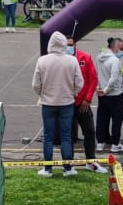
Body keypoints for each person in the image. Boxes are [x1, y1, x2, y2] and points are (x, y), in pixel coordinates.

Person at [33, 30, 83, 177]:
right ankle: (68, 168)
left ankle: (47, 169)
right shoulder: (72, 60)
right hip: (67, 103)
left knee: (48, 136)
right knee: (66, 136)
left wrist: (43, 94)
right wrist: (72, 92)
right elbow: (79, 82)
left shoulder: (42, 60)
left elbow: (35, 84)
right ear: (63, 44)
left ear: (50, 44)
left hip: (48, 103)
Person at [67, 35, 106, 173]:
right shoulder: (61, 60)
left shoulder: (85, 58)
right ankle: (68, 164)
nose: (68, 47)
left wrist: (87, 99)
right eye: (66, 45)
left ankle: (90, 161)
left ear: (75, 44)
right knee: (69, 136)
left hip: (83, 104)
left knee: (89, 132)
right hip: (67, 104)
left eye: (70, 44)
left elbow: (93, 79)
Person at [96, 37, 123, 152]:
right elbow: (114, 78)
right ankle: (115, 144)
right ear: (115, 47)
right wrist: (106, 89)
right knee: (117, 119)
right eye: (121, 48)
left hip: (102, 94)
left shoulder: (100, 57)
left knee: (102, 119)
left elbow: (100, 74)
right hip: (114, 94)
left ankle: (100, 142)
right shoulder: (115, 60)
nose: (122, 51)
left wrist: (101, 89)